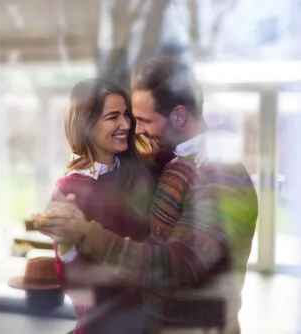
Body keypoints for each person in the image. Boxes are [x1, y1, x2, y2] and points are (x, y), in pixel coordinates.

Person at [36, 57, 258, 333]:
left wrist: (85, 234)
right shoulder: (172, 162)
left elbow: (178, 266)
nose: (133, 128)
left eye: (140, 119)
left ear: (178, 116)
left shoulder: (220, 173)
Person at [45, 79, 159, 334]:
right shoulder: (66, 190)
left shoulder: (144, 173)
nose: (126, 124)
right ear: (86, 125)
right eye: (113, 117)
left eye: (126, 115)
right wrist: (65, 246)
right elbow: (70, 285)